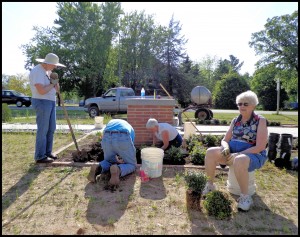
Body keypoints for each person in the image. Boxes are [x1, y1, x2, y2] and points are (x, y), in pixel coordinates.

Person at [202, 90, 268, 211]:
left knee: (239, 159)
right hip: (232, 152)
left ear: (253, 105)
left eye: (245, 104)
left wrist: (239, 153)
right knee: (211, 152)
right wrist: (226, 147)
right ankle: (210, 185)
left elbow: (260, 146)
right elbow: (224, 140)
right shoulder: (235, 120)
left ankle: (245, 197)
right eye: (239, 104)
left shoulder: (260, 121)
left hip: (253, 154)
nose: (242, 106)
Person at [29, 53, 66, 163]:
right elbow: (41, 91)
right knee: (43, 129)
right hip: (41, 102)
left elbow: (56, 90)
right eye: (54, 65)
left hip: (51, 102)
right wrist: (52, 84)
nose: (55, 67)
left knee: (51, 128)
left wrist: (56, 83)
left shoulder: (48, 72)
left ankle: (48, 152)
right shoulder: (37, 71)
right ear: (48, 63)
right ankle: (40, 156)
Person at [87, 119, 137, 187]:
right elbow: (129, 148)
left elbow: (108, 140)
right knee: (132, 164)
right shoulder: (130, 128)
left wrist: (116, 157)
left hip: (107, 136)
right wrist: (123, 159)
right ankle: (118, 170)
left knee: (109, 161)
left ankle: (98, 167)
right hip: (123, 136)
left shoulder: (111, 123)